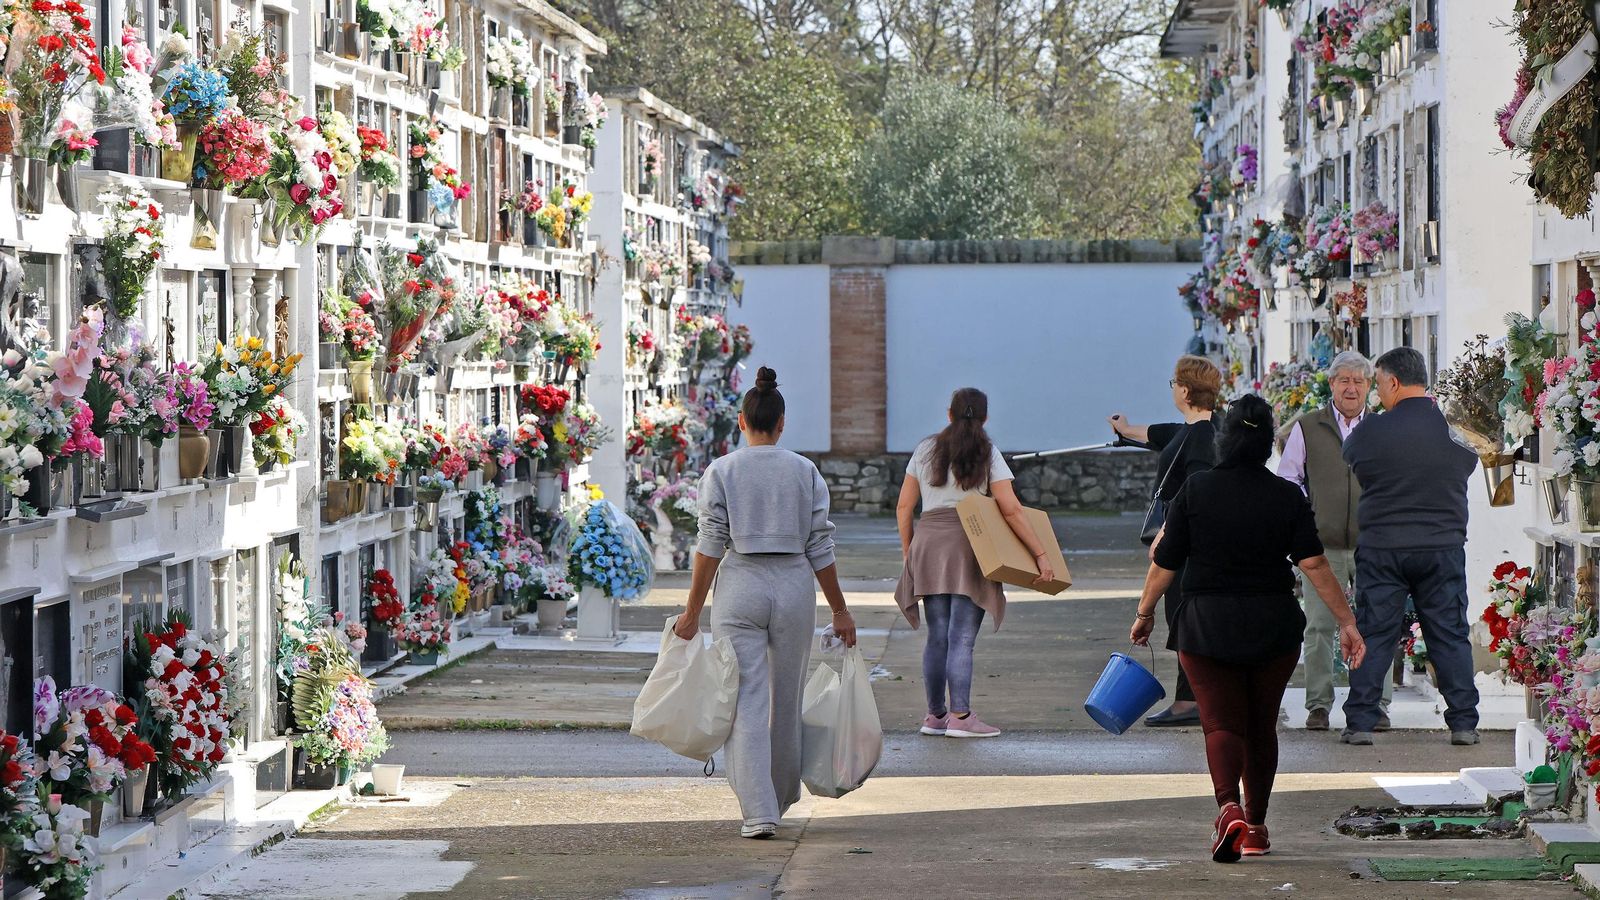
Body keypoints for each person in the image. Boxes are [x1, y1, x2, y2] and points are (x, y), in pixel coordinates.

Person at [1132, 394, 1366, 863]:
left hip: (1205, 625)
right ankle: (1255, 827)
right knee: (1261, 726)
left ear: (1224, 440)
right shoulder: (1286, 495)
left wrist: (1145, 612)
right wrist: (1347, 622)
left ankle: (1228, 808)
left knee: (1219, 721)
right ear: (1266, 445)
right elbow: (1314, 564)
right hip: (1271, 625)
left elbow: (1165, 562)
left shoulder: (1195, 490)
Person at [673, 367, 859, 840]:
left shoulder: (722, 471)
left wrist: (692, 611)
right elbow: (821, 544)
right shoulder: (804, 471)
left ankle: (758, 812)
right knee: (787, 696)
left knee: (746, 698)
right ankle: (780, 796)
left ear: (741, 421)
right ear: (782, 424)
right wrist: (839, 610)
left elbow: (710, 544)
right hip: (794, 582)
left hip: (740, 584)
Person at [894, 388, 1055, 739]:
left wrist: (910, 551)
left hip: (929, 542)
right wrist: (1040, 554)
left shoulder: (925, 449)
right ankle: (961, 717)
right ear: (985, 418)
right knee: (961, 638)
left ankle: (935, 717)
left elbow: (905, 508)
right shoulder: (988, 452)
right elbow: (1010, 509)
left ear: (949, 414)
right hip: (971, 542)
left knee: (937, 636)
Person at [1339, 347, 1481, 747]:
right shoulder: (1455, 428)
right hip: (1442, 546)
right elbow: (1470, 463)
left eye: (1379, 384)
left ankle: (1362, 723)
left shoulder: (1373, 429)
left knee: (1374, 632)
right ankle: (1463, 724)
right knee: (1449, 633)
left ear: (1394, 382)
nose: (1378, 393)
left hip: (1383, 547)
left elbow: (1353, 459)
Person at [1276, 351, 1393, 732]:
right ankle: (1319, 705)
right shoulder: (1308, 426)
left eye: (1359, 381)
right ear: (1331, 385)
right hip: (1321, 545)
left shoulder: (1380, 428)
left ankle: (1376, 703)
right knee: (1320, 625)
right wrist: (1302, 521)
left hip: (1372, 543)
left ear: (1369, 387)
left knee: (1377, 623)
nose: (1351, 388)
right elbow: (1288, 480)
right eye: (1344, 380)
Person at [1109, 354, 1221, 726]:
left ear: (1185, 390)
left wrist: (1169, 531)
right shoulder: (1190, 430)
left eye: (1174, 383)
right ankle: (1190, 698)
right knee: (1181, 616)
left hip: (1186, 546)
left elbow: (1198, 489)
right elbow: (1156, 434)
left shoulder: (1202, 438)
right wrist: (1125, 429)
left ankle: (1192, 701)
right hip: (1183, 543)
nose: (1172, 389)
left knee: (1184, 617)